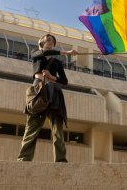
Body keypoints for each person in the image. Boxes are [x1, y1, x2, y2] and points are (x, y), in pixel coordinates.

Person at [17, 33, 77, 162]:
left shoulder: (57, 62)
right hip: (39, 91)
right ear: (42, 43)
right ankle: (24, 159)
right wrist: (66, 52)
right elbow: (42, 53)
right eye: (48, 40)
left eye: (53, 41)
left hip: (54, 93)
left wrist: (52, 76)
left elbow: (64, 81)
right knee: (32, 128)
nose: (51, 42)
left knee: (58, 131)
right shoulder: (36, 53)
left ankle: (60, 160)